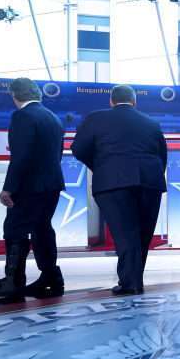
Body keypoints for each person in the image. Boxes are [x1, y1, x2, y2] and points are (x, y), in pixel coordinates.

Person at [72, 85, 167, 296]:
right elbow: (162, 157)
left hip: (112, 183)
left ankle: (130, 283)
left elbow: (78, 149)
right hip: (150, 182)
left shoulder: (96, 118)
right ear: (135, 102)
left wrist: (101, 166)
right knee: (142, 234)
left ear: (111, 101)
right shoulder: (151, 123)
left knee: (125, 234)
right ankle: (133, 280)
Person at [0, 78, 64, 301]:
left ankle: (13, 281)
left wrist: (8, 189)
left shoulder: (22, 116)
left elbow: (21, 157)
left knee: (15, 229)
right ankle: (51, 277)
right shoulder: (53, 117)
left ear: (14, 95)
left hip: (29, 186)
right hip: (51, 184)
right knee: (42, 229)